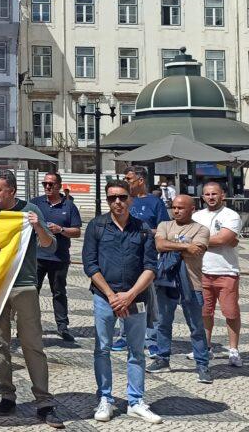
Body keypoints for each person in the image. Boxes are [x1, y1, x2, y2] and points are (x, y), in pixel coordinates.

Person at [0, 169, 63, 428]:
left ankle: (43, 400)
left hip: (24, 285)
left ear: (12, 192)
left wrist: (38, 225)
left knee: (32, 344)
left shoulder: (30, 211)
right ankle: (6, 395)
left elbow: (50, 245)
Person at [82, 179, 162, 424]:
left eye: (122, 197)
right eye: (111, 198)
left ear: (131, 198)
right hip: (104, 298)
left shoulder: (143, 228)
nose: (117, 201)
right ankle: (105, 398)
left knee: (136, 351)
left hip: (135, 297)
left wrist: (128, 296)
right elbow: (90, 264)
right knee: (102, 349)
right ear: (107, 200)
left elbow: (150, 267)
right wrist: (112, 296)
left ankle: (136, 401)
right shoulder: (96, 226)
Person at [147, 194, 212, 382]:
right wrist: (185, 246)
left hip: (192, 283)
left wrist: (173, 246)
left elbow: (197, 249)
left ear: (192, 209)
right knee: (163, 323)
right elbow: (159, 245)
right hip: (166, 282)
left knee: (196, 326)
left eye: (181, 208)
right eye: (174, 207)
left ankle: (202, 365)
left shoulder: (201, 229)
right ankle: (162, 359)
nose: (176, 210)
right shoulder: (165, 225)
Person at [112, 165, 169, 354]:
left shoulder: (155, 203)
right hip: (124, 257)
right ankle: (124, 335)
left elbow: (164, 229)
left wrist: (142, 231)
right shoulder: (125, 200)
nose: (126, 182)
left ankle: (151, 337)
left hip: (147, 259)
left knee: (148, 300)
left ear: (140, 180)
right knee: (124, 296)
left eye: (129, 179)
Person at [192, 181, 242, 367]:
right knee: (205, 312)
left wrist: (198, 240)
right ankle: (207, 348)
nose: (211, 197)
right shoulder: (197, 216)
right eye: (207, 194)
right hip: (202, 271)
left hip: (226, 271)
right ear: (202, 197)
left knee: (231, 312)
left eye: (214, 194)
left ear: (222, 195)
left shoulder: (232, 215)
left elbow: (224, 239)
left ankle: (234, 350)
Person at [32, 171, 83, 343]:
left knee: (59, 292)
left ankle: (63, 327)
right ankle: (29, 327)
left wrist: (60, 230)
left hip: (59, 257)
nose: (47, 186)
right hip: (37, 257)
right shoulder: (35, 203)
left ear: (59, 185)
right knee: (31, 293)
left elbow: (77, 231)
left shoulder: (69, 206)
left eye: (51, 184)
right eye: (45, 184)